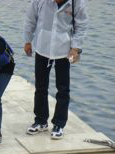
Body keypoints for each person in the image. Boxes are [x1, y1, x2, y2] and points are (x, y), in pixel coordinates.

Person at [24, 0, 88, 139]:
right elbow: (30, 19)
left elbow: (81, 26)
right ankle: (40, 121)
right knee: (40, 86)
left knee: (63, 89)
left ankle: (59, 124)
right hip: (42, 47)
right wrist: (27, 40)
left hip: (64, 50)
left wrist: (76, 48)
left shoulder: (76, 3)